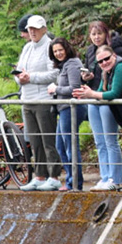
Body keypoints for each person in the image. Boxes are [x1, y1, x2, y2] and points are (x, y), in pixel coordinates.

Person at [73, 43, 122, 190]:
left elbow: (114, 93)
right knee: (100, 142)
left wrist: (91, 94)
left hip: (117, 108)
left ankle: (116, 178)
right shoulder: (105, 71)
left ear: (114, 56)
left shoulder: (121, 67)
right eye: (100, 61)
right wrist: (87, 93)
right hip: (103, 106)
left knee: (110, 141)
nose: (104, 63)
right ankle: (105, 176)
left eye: (107, 59)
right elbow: (100, 91)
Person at [14, 15, 60, 191]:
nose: (32, 32)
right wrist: (20, 78)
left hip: (43, 100)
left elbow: (54, 74)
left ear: (44, 29)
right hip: (27, 99)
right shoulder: (27, 48)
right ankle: (39, 176)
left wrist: (31, 77)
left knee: (48, 140)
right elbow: (19, 71)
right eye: (30, 29)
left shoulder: (50, 46)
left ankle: (54, 176)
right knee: (35, 141)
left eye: (36, 28)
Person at [50, 36, 87, 191]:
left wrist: (56, 89)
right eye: (55, 51)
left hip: (71, 108)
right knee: (60, 146)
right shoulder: (63, 65)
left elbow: (74, 88)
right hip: (63, 109)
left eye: (60, 50)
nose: (58, 53)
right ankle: (71, 180)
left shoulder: (72, 63)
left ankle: (75, 183)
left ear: (67, 49)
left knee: (70, 146)